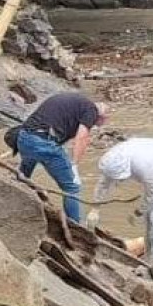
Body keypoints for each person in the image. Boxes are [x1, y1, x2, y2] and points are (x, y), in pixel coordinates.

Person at [87, 138, 153, 262]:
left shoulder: (144, 166)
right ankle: (150, 255)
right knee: (149, 216)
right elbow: (104, 184)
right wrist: (95, 209)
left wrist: (138, 212)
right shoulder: (112, 159)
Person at [17, 92, 109, 223]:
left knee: (23, 177)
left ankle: (15, 203)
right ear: (100, 116)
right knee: (72, 187)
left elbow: (60, 130)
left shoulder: (76, 104)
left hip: (24, 137)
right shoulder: (91, 110)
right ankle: (77, 227)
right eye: (95, 124)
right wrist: (74, 166)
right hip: (42, 142)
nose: (93, 125)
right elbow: (82, 138)